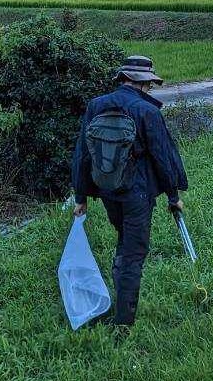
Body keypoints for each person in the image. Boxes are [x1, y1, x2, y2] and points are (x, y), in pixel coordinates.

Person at [71, 55, 189, 327]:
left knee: (125, 241)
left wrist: (81, 197)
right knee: (134, 254)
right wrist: (173, 197)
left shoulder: (96, 105)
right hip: (137, 194)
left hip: (108, 191)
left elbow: (82, 154)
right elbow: (163, 157)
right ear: (143, 83)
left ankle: (120, 284)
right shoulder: (147, 111)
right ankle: (123, 323)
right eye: (149, 84)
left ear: (122, 79)